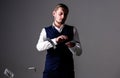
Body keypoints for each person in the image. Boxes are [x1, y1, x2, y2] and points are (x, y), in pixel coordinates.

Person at [36, 3, 82, 78]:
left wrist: (72, 46)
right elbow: (39, 47)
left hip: (67, 71)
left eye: (65, 14)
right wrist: (55, 41)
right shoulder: (45, 30)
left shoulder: (73, 29)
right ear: (54, 13)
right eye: (60, 14)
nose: (63, 16)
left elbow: (79, 52)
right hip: (50, 71)